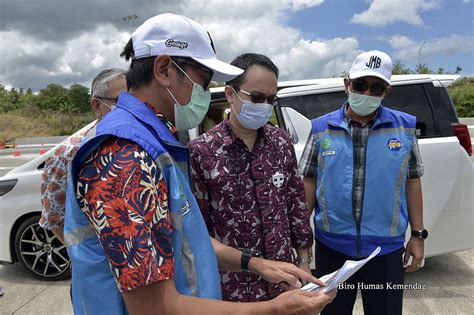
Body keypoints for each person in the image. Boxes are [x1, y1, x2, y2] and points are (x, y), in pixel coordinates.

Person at [63, 13, 335, 315]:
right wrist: (273, 309)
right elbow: (154, 308)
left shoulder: (156, 144)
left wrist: (258, 265)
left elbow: (190, 240)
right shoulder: (124, 155)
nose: (205, 94)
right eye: (203, 81)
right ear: (165, 69)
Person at [299, 50, 426, 315]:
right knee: (332, 311)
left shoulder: (404, 128)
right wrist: (302, 239)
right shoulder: (322, 128)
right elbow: (309, 179)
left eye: (376, 87)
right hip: (332, 247)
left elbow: (412, 181)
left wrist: (417, 235)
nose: (367, 94)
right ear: (347, 84)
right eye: (360, 85)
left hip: (385, 250)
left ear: (386, 91)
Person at [188, 53, 314, 302]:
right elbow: (197, 229)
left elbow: (296, 206)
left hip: (284, 280)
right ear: (230, 93)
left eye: (271, 99)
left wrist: (304, 262)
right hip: (232, 289)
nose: (265, 106)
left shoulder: (281, 142)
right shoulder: (202, 151)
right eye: (257, 98)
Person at [40, 68, 127, 243]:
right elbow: (54, 218)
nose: (131, 107)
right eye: (121, 101)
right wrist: (85, 259)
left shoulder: (140, 142)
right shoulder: (68, 153)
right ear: (97, 106)